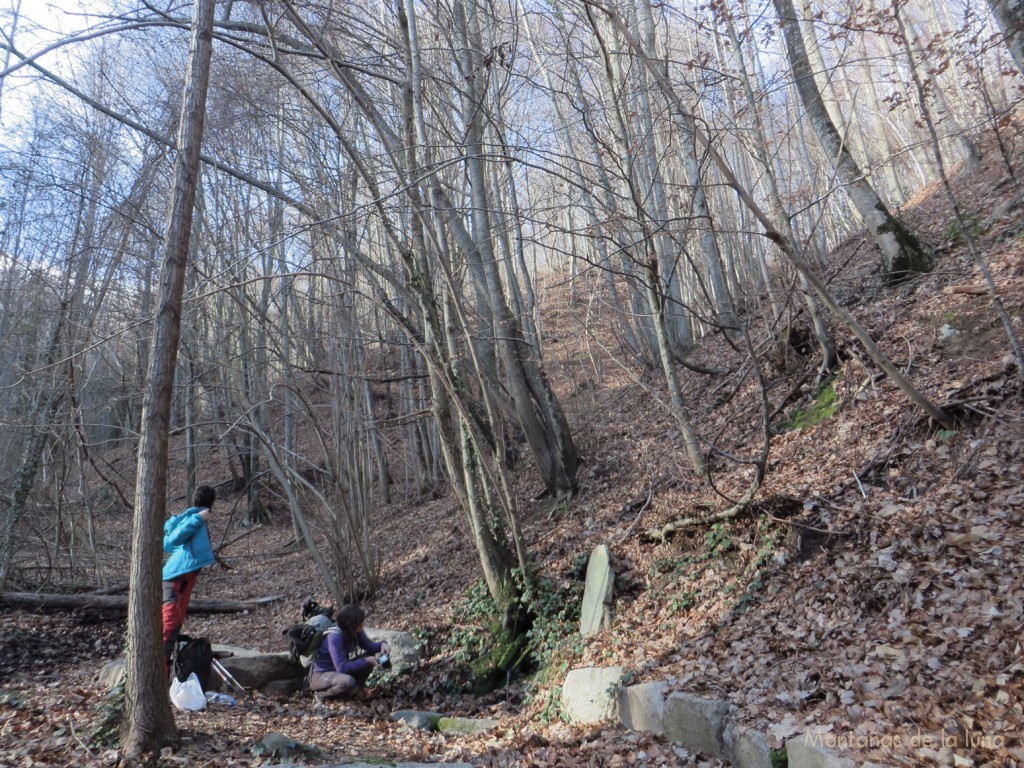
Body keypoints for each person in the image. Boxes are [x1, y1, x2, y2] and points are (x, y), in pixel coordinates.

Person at [162, 485, 218, 675]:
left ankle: (167, 671)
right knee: (170, 624)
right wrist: (200, 517)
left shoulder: (190, 517)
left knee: (176, 625)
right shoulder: (195, 518)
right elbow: (172, 540)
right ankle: (159, 673)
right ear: (212, 503)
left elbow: (169, 543)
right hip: (175, 577)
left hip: (184, 578)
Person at [309, 604, 390, 701]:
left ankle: (354, 692)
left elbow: (369, 647)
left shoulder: (354, 631)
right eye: (360, 624)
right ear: (351, 625)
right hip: (321, 675)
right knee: (347, 681)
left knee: (369, 656)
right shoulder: (334, 638)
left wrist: (382, 644)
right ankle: (322, 695)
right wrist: (366, 660)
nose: (362, 626)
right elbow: (342, 668)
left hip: (338, 673)